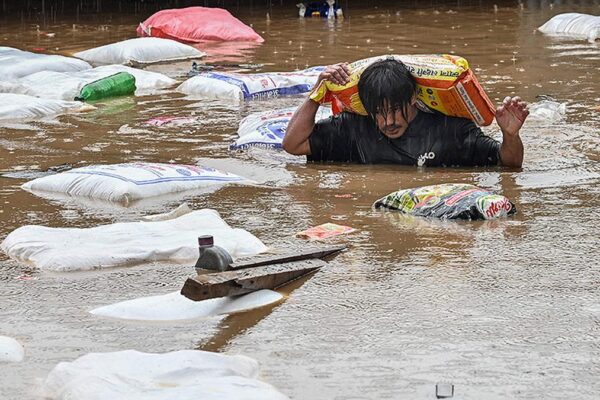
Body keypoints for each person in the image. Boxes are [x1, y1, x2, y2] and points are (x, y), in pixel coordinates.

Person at [282, 59, 529, 167]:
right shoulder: (352, 128)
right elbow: (293, 144)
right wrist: (317, 93)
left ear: (413, 98)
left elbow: (509, 164)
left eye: (395, 111)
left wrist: (510, 135)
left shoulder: (450, 130)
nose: (388, 122)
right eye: (379, 113)